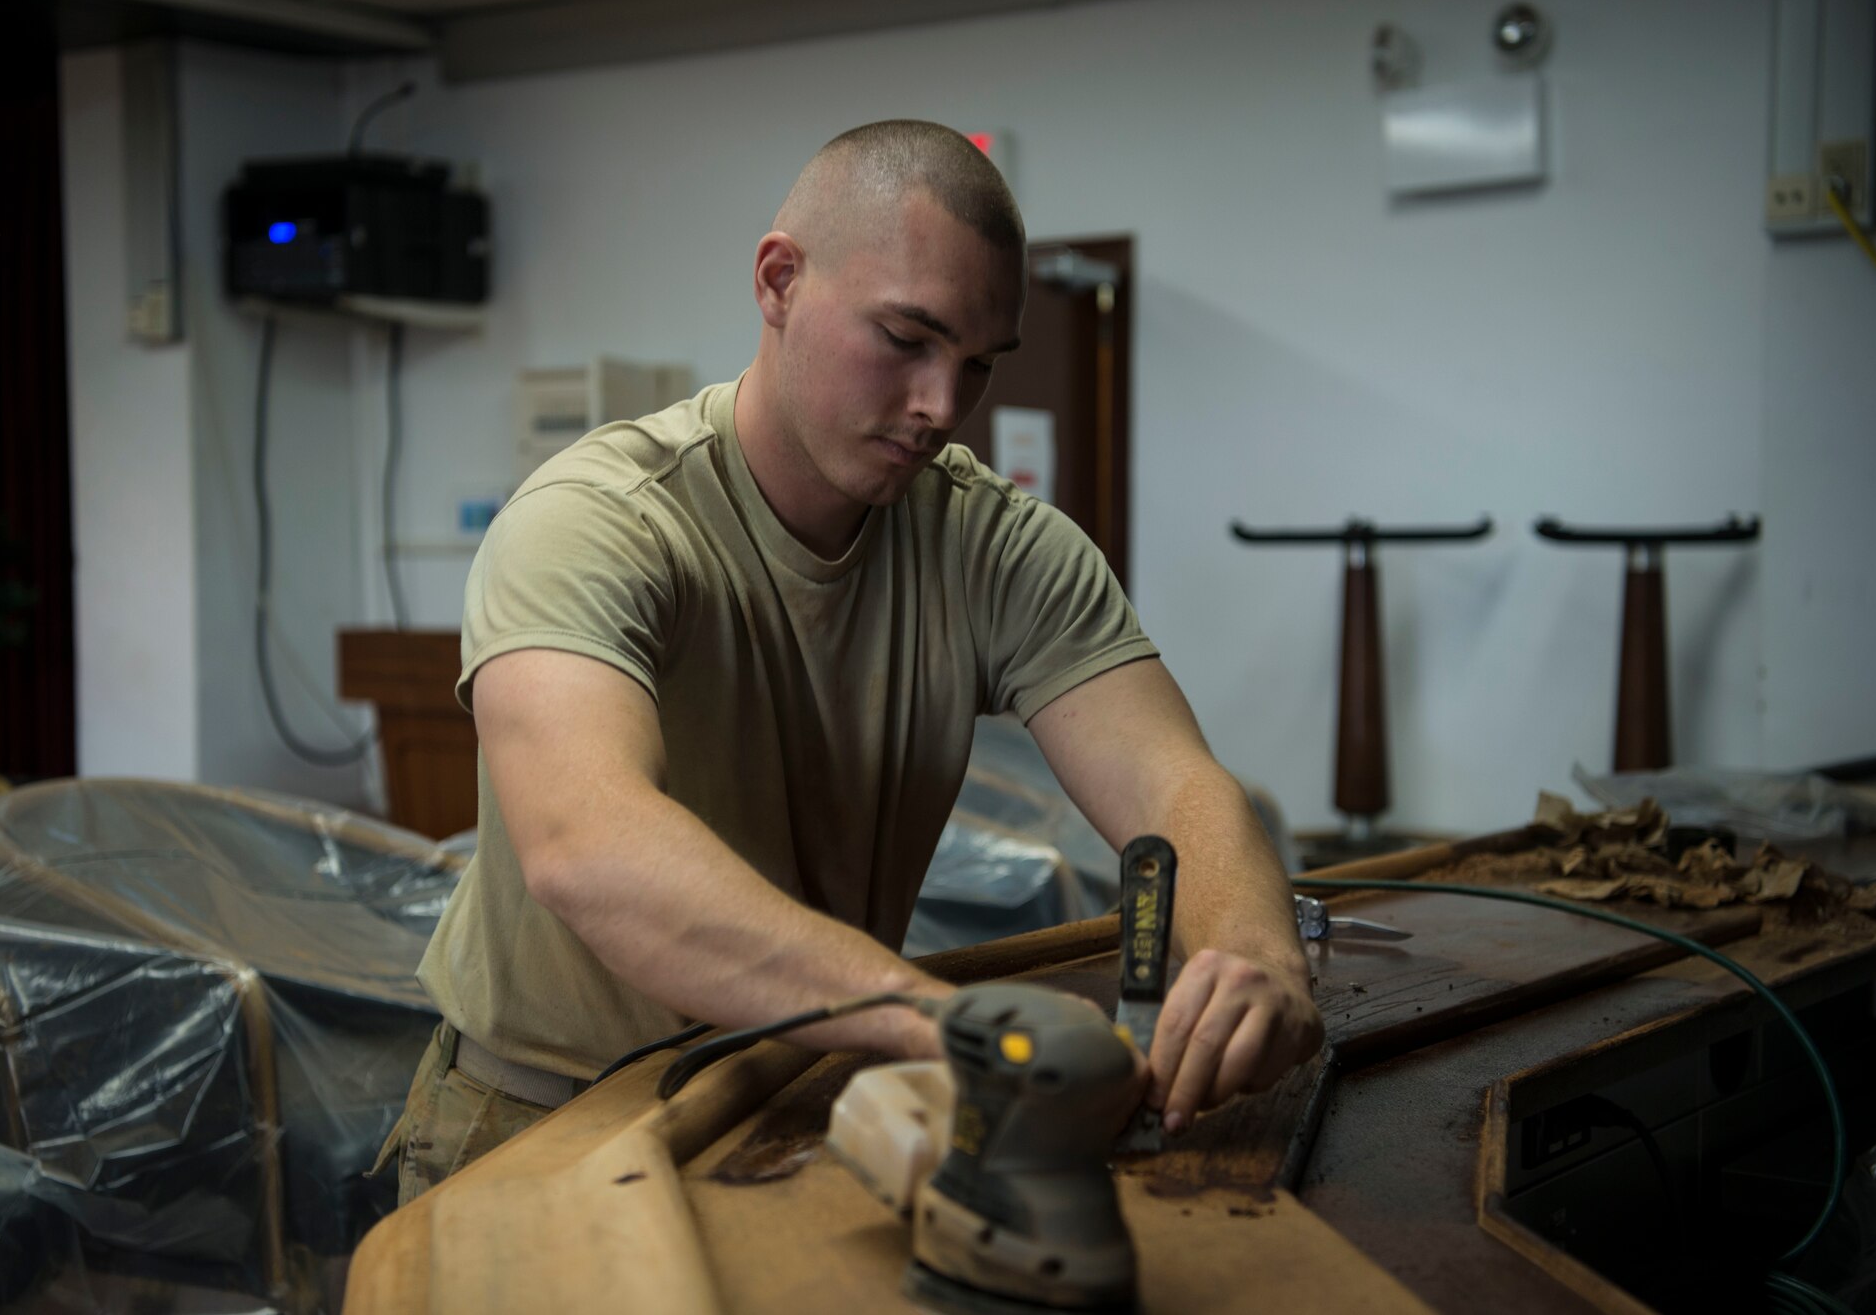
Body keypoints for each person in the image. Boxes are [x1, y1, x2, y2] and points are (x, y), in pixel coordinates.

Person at [375, 119, 1321, 1205]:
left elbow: (1171, 782)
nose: (938, 408)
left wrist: (1257, 955)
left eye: (974, 365)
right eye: (904, 339)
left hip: (807, 1097)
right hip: (548, 1119)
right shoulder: (596, 521)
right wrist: (935, 1020)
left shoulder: (994, 545)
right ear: (778, 282)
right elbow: (586, 847)